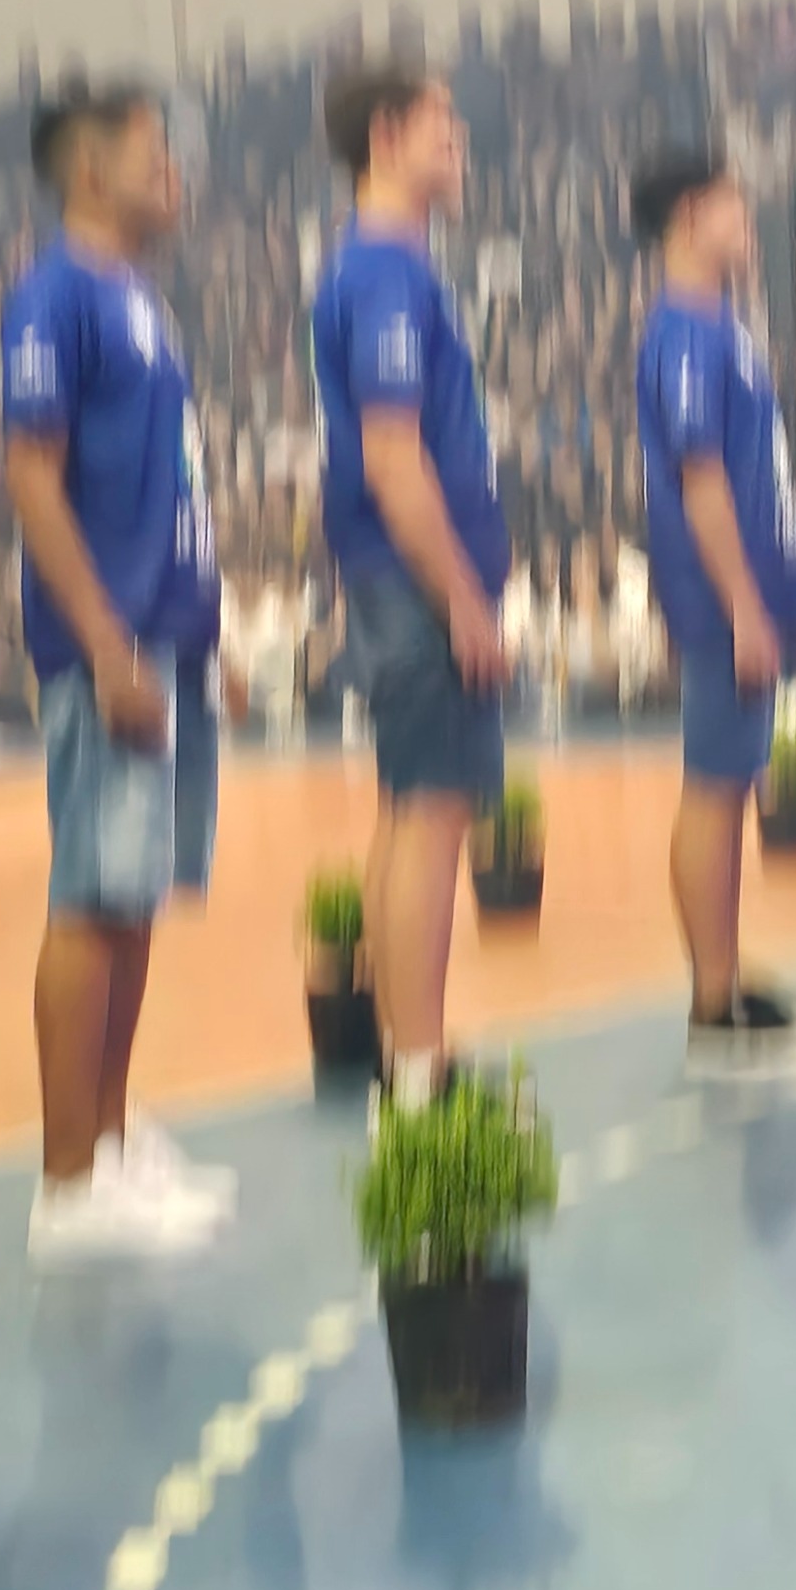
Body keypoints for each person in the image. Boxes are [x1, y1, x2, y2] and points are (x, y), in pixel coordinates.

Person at [1, 81, 239, 1265]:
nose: (173, 172)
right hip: (112, 649)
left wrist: (196, 634)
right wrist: (103, 643)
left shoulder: (134, 299)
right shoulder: (54, 298)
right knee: (91, 898)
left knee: (132, 896)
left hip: (166, 636)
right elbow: (29, 473)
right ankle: (65, 1182)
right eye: (153, 154)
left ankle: (106, 1137)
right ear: (89, 170)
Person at [312, 62, 513, 1108]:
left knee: (409, 814)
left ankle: (412, 1057)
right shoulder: (384, 274)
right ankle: (421, 1072)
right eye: (442, 123)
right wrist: (462, 600)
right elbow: (393, 458)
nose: (459, 141)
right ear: (386, 135)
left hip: (400, 580)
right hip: (416, 582)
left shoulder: (382, 268)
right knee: (431, 818)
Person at [631, 145, 796, 1075]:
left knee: (735, 784)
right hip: (720, 603)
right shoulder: (683, 335)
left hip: (752, 593)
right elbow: (700, 477)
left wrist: (791, 593)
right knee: (713, 788)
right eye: (732, 206)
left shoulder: (723, 327)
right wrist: (746, 605)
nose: (748, 221)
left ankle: (728, 972)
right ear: (689, 217)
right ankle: (713, 1003)